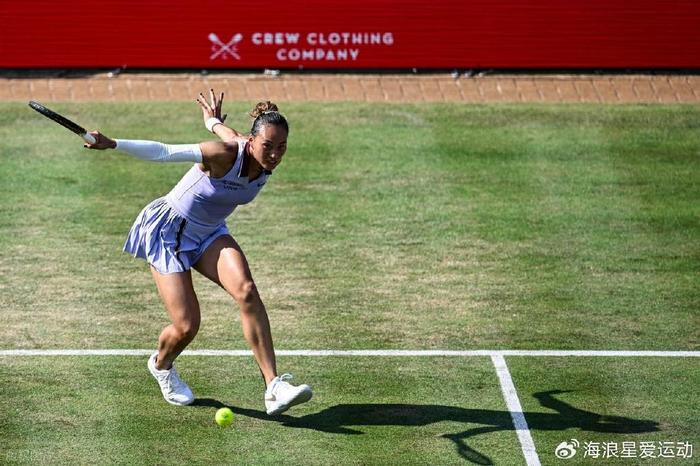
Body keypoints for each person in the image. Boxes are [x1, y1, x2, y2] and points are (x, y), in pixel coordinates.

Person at [84, 90, 312, 415]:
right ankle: (161, 365)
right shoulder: (224, 154)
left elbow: (224, 129)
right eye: (268, 146)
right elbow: (164, 151)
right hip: (169, 231)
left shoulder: (259, 157)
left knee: (247, 291)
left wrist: (212, 121)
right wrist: (113, 143)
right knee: (187, 326)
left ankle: (273, 387)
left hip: (209, 233)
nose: (275, 154)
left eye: (282, 147)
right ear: (251, 142)